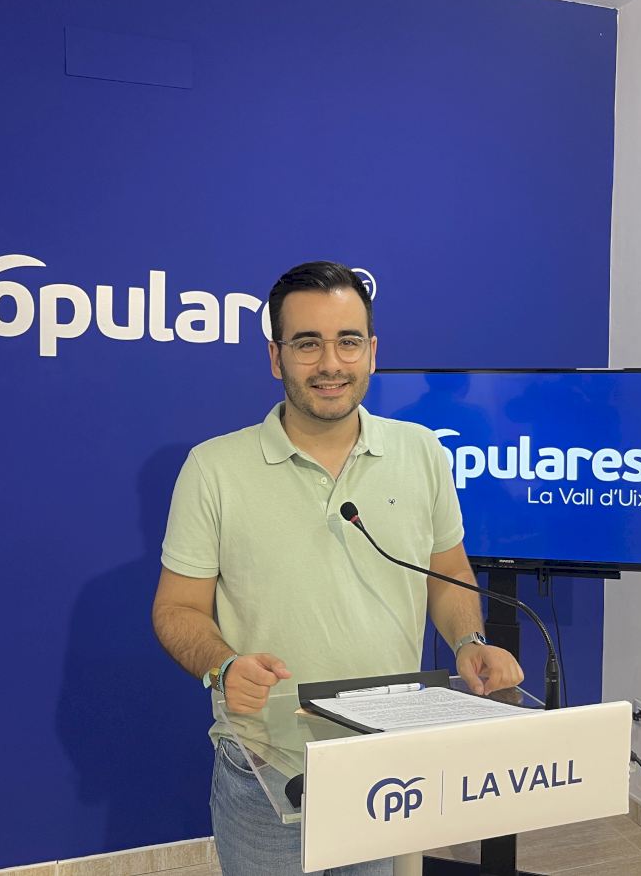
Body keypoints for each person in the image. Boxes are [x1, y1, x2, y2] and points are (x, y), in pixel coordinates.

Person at [151, 261, 524, 875]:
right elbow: (176, 608)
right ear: (275, 358)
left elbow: (447, 571)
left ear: (372, 352)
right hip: (266, 766)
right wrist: (222, 666)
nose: (330, 363)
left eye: (348, 341)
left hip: (383, 763)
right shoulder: (212, 469)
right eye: (307, 344)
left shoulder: (422, 452)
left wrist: (469, 640)